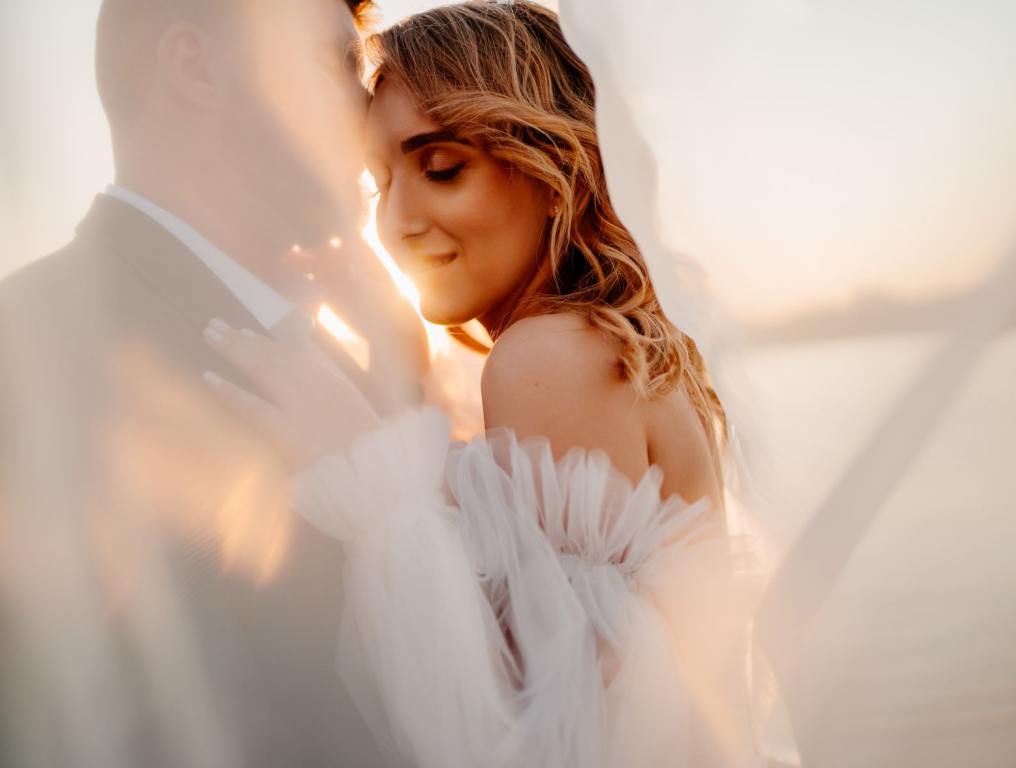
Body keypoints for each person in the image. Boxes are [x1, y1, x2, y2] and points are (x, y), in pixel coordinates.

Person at [205, 2, 760, 766]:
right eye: (380, 183)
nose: (395, 222)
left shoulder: (547, 358)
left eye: (440, 169)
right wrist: (403, 369)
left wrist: (371, 480)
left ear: (551, 163)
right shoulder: (613, 344)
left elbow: (559, 738)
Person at [0, 1, 423, 765]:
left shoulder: (353, 357)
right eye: (339, 65)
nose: (373, 104)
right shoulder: (21, 351)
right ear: (196, 67)